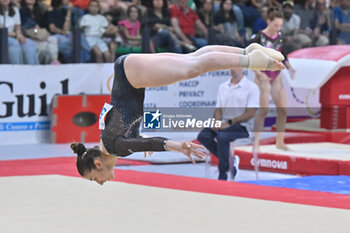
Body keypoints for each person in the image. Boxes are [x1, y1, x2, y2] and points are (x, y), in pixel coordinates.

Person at [70, 43, 285, 185]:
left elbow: (151, 143)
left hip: (132, 78)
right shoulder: (107, 142)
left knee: (193, 67)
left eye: (93, 179)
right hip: (128, 72)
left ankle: (251, 61)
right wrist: (139, 138)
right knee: (192, 59)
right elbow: (123, 125)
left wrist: (178, 146)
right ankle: (245, 52)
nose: (99, 182)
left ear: (97, 164)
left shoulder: (116, 147)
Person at [197, 68, 259, 181]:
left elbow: (251, 113)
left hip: (243, 126)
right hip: (224, 124)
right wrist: (216, 122)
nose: (233, 69)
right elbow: (218, 109)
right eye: (231, 66)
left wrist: (229, 123)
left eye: (235, 66)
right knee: (203, 136)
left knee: (222, 137)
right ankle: (230, 161)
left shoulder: (251, 87)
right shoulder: (223, 86)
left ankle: (223, 174)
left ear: (242, 68)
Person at [249, 8, 295, 152]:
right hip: (262, 77)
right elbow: (249, 60)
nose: (277, 28)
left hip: (276, 77)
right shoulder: (257, 38)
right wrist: (259, 74)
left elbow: (283, 55)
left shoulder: (280, 37)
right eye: (275, 25)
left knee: (283, 110)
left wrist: (290, 67)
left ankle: (279, 141)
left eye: (280, 26)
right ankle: (256, 143)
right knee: (263, 111)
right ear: (268, 21)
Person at [20, 0, 60, 64]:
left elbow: (43, 24)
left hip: (39, 32)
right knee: (43, 47)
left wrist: (48, 11)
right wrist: (34, 26)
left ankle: (54, 60)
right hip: (29, 34)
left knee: (53, 39)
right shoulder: (22, 10)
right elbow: (24, 24)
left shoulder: (40, 9)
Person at [0, 0, 39, 64]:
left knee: (29, 44)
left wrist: (19, 35)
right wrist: (14, 35)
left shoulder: (15, 9)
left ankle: (33, 70)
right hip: (3, 37)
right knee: (14, 45)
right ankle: (18, 69)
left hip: (14, 36)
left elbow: (18, 28)